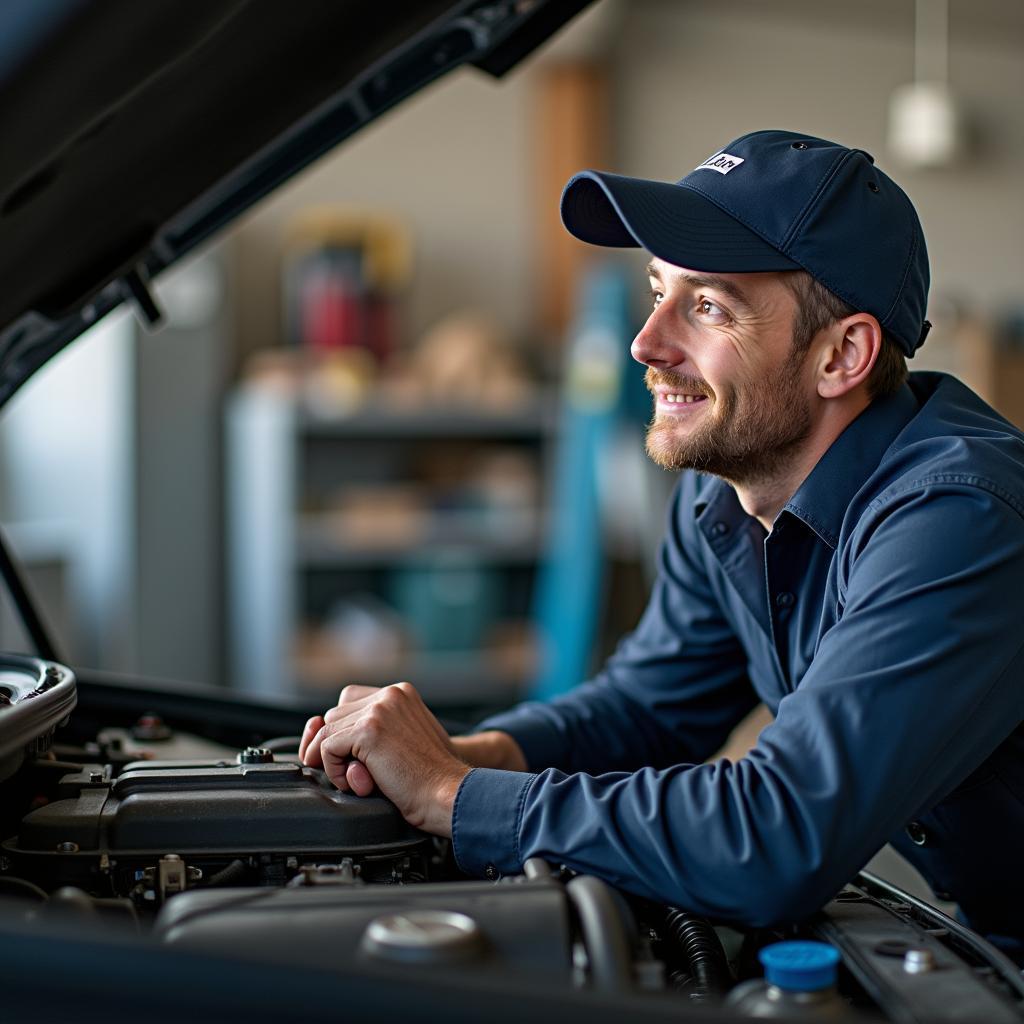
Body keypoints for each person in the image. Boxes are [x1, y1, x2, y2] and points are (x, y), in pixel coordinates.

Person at [299, 130, 1024, 955]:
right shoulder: (726, 493)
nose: (647, 342)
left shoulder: (959, 518)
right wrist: (481, 754)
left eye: (708, 306)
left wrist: (454, 794)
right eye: (657, 290)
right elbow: (649, 707)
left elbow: (778, 835)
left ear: (842, 355)